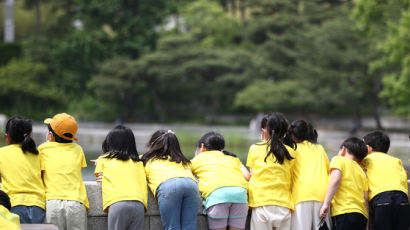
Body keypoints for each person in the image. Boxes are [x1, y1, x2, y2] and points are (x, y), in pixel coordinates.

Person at [39, 113, 89, 230]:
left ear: (50, 135)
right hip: (76, 203)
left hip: (52, 202)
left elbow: (40, 175)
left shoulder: (42, 149)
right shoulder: (78, 150)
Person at [191, 132, 250, 230]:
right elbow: (247, 176)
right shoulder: (232, 158)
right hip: (240, 194)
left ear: (202, 146)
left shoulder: (196, 160)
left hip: (217, 196)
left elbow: (186, 175)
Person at [246, 112, 296, 230]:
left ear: (264, 131)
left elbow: (252, 174)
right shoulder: (290, 152)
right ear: (285, 131)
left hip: (261, 203)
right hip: (284, 205)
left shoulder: (255, 148)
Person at [142, 130, 199, 230]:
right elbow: (190, 171)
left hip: (169, 185)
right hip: (190, 184)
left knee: (172, 227)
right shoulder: (181, 159)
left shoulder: (146, 159)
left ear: (152, 144)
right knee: (190, 227)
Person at [94, 125, 148, 230]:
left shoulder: (103, 159)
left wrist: (98, 163)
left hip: (117, 203)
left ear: (110, 142)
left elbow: (100, 180)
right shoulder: (139, 162)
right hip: (139, 204)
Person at [0, 116, 46, 223]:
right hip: (38, 205)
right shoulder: (38, 154)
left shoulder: (2, 153)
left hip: (13, 204)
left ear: (7, 137)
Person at [362, 131, 409, 230]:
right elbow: (404, 175)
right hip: (402, 199)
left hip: (381, 198)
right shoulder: (396, 160)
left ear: (368, 148)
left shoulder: (365, 160)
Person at [289, 120, 331, 230]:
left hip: (301, 195)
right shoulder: (320, 148)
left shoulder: (293, 149)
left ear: (293, 135)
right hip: (322, 196)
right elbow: (328, 170)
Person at [319, 137, 369, 230]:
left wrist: (326, 204)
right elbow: (365, 198)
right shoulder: (362, 172)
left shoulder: (339, 159)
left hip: (344, 212)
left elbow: (335, 180)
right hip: (361, 216)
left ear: (343, 149)